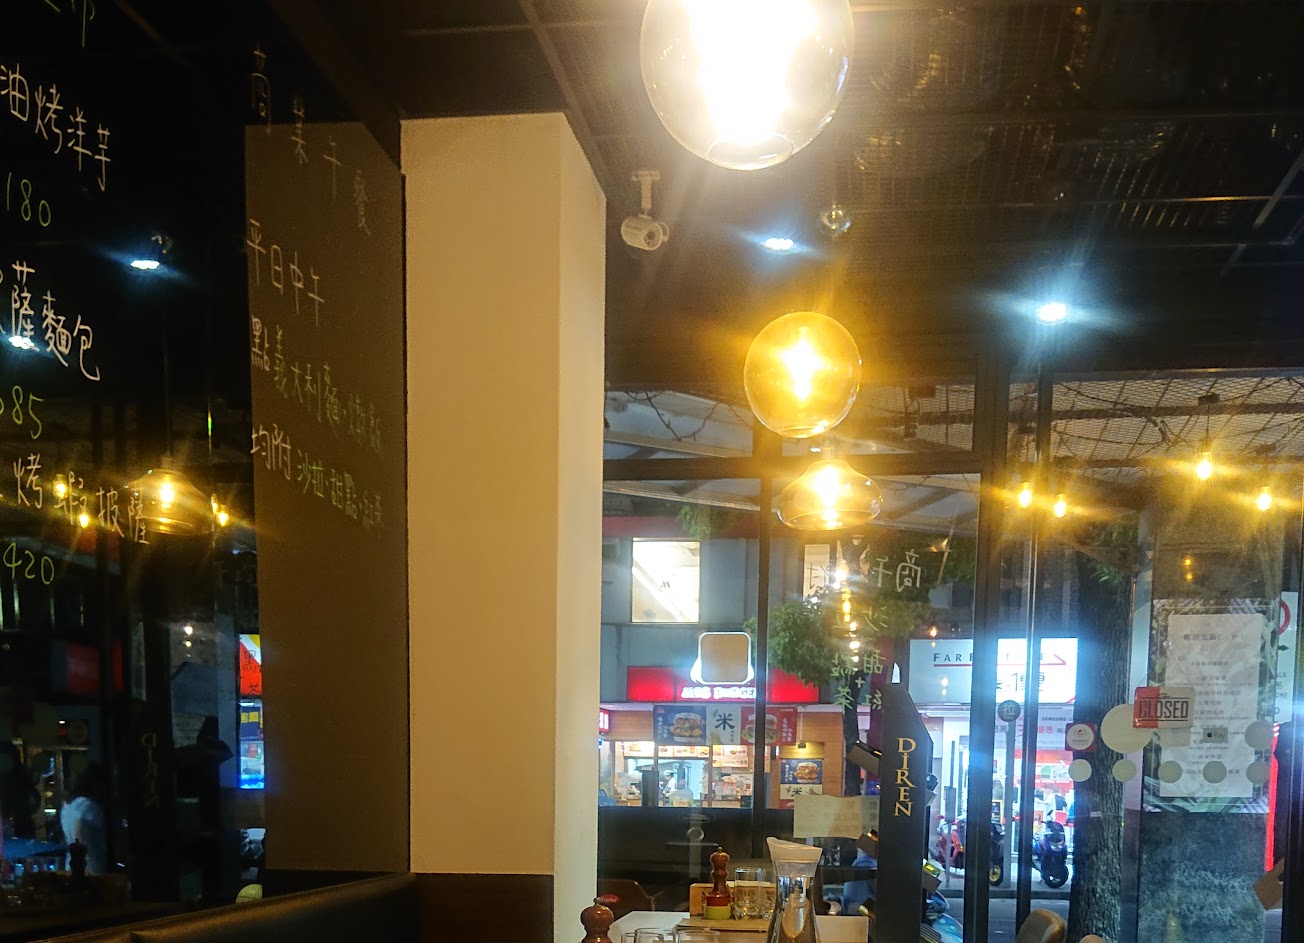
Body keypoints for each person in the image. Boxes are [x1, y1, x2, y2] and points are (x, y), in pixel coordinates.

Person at [60, 764, 107, 875]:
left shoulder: (68, 805)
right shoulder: (88, 806)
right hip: (91, 869)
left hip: (72, 867)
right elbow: (80, 832)